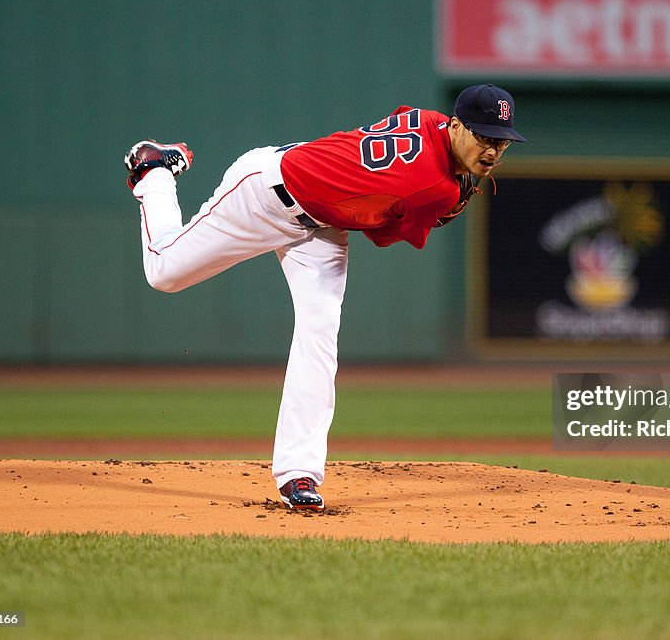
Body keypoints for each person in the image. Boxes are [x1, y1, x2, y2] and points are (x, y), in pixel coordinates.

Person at [123, 84, 526, 510]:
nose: (493, 151)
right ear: (458, 125)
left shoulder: (427, 119)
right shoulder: (434, 189)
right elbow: (382, 234)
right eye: (484, 137)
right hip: (263, 193)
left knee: (320, 332)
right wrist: (433, 201)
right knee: (164, 272)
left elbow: (389, 142)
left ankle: (298, 472)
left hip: (321, 223)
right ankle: (155, 171)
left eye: (501, 142)